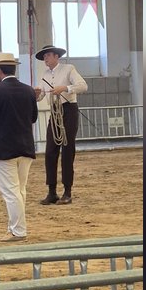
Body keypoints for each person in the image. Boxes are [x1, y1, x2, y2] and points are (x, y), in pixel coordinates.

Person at [0, 52, 39, 242]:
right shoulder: (28, 90)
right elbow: (33, 117)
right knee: (20, 190)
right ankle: (16, 227)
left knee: (11, 192)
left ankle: (18, 230)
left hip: (3, 149)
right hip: (25, 146)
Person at [34, 44, 88, 204]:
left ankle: (67, 191)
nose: (45, 59)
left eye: (48, 56)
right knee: (50, 150)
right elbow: (41, 96)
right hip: (55, 111)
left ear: (56, 56)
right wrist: (37, 94)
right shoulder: (44, 74)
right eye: (44, 57)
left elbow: (83, 86)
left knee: (67, 149)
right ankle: (51, 191)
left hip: (69, 110)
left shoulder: (69, 69)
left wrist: (65, 88)